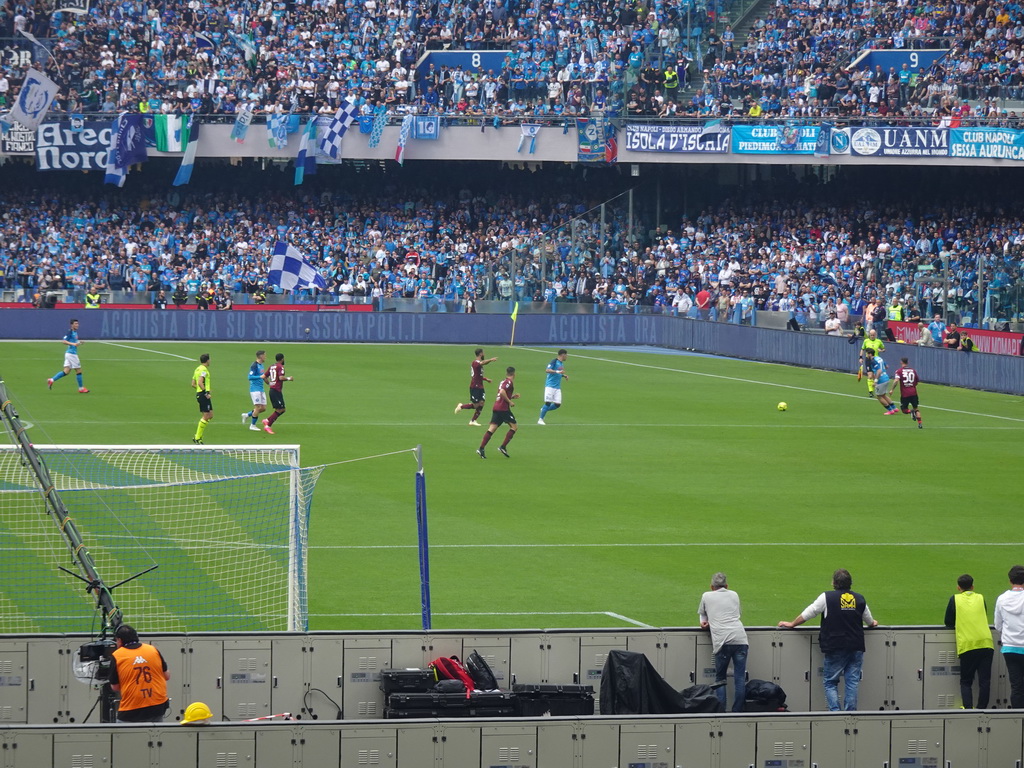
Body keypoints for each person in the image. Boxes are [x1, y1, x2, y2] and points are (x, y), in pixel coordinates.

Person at [778, 568, 878, 711]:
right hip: (856, 645)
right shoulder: (859, 598)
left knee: (830, 682)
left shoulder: (826, 597)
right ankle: (850, 713)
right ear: (850, 583)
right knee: (852, 682)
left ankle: (835, 713)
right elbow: (869, 620)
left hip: (835, 645)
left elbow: (809, 613)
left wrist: (792, 624)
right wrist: (873, 623)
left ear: (833, 583)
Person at [698, 572, 748, 712]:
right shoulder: (734, 595)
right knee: (739, 678)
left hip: (722, 641)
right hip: (740, 638)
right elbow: (736, 613)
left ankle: (721, 711)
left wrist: (704, 623)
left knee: (720, 678)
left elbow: (703, 615)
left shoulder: (706, 596)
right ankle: (737, 711)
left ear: (711, 587)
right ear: (726, 586)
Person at [943, 574, 994, 709]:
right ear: (973, 586)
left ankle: (968, 708)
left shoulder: (955, 599)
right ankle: (982, 708)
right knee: (985, 681)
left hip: (968, 644)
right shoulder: (980, 597)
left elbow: (948, 622)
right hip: (986, 643)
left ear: (958, 587)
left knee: (966, 681)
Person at [109, 624, 170, 723]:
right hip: (157, 706)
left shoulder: (117, 656)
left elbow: (115, 687)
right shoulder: (152, 649)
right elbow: (167, 676)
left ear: (119, 640)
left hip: (131, 710)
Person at [994, 564, 1024, 708]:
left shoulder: (1002, 599)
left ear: (1010, 580)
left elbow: (998, 625)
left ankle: (1019, 721)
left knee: (1016, 686)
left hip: (1010, 648)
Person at [477, 366, 519, 458]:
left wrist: (512, 397)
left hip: (497, 407)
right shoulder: (508, 382)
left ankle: (481, 448)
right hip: (503, 409)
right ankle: (503, 447)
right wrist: (510, 401)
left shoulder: (502, 381)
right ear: (514, 374)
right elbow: (502, 392)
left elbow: (502, 394)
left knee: (492, 428)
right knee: (514, 427)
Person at [455, 348, 497, 426]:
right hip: (475, 386)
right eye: (483, 353)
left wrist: (486, 379)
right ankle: (461, 406)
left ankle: (473, 420)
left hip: (480, 386)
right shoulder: (475, 362)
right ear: (480, 354)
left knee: (482, 403)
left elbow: (477, 375)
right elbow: (483, 363)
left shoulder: (479, 363)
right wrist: (491, 360)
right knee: (476, 405)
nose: (484, 354)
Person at [47, 318, 90, 393]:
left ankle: (52, 380)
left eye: (77, 323)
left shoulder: (75, 332)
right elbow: (64, 341)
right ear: (72, 325)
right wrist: (73, 344)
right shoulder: (70, 332)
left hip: (68, 354)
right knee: (78, 370)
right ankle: (81, 388)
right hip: (72, 354)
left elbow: (73, 341)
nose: (77, 325)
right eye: (75, 324)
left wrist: (79, 342)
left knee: (66, 371)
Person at [262, 353, 294, 435]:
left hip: (272, 390)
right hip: (276, 391)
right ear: (282, 359)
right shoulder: (280, 367)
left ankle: (267, 420)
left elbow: (264, 376)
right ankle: (268, 425)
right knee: (281, 409)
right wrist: (289, 378)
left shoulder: (271, 366)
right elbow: (281, 378)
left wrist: (269, 384)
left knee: (280, 409)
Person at [538, 349, 569, 425]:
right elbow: (547, 370)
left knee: (557, 404)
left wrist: (563, 375)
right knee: (548, 403)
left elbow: (558, 373)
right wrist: (557, 371)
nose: (567, 357)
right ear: (562, 355)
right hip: (550, 386)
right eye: (566, 355)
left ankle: (544, 409)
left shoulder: (561, 363)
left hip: (557, 387)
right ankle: (540, 419)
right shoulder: (554, 361)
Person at [863, 348, 898, 415]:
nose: (866, 355)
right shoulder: (879, 358)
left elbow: (879, 371)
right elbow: (887, 366)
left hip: (881, 380)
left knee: (879, 396)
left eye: (867, 354)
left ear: (870, 354)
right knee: (883, 395)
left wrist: (875, 381)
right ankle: (894, 408)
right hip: (886, 378)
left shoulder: (873, 361)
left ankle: (890, 410)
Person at [892, 356, 923, 428]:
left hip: (905, 394)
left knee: (904, 409)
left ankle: (910, 412)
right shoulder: (913, 370)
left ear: (901, 362)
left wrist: (892, 389)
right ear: (908, 363)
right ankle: (920, 424)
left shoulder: (899, 371)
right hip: (914, 393)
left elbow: (896, 380)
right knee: (916, 408)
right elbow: (917, 381)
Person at [242, 350, 267, 432]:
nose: (265, 357)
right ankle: (252, 425)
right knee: (258, 407)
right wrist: (260, 377)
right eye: (264, 355)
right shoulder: (254, 365)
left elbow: (263, 376)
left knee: (263, 408)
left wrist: (269, 382)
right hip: (255, 389)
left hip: (261, 389)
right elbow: (250, 377)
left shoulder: (261, 365)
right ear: (261, 356)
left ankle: (247, 415)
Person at [191, 353, 212, 445]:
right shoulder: (203, 370)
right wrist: (205, 392)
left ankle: (198, 436)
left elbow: (193, 384)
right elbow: (199, 382)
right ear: (207, 360)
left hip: (200, 394)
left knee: (210, 415)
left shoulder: (197, 369)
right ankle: (197, 437)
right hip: (203, 395)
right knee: (206, 416)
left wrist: (200, 391)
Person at [858, 329, 885, 397]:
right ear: (869, 335)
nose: (872, 336)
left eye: (873, 335)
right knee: (870, 375)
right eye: (871, 335)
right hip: (868, 360)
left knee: (875, 376)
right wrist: (860, 357)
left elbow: (884, 349)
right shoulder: (866, 341)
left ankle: (877, 388)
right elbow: (862, 349)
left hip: (876, 360)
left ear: (875, 335)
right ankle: (870, 391)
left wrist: (881, 350)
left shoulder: (879, 341)